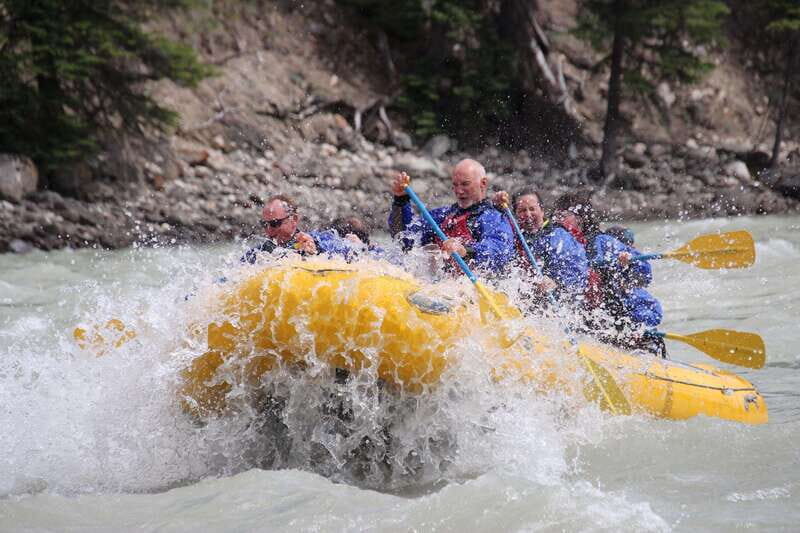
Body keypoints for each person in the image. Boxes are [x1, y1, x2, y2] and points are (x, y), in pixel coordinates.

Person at [553, 193, 665, 357]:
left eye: (563, 216)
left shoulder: (602, 242)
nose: (557, 221)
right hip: (591, 328)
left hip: (623, 327)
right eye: (556, 216)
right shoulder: (559, 247)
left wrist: (628, 263)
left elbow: (644, 274)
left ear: (580, 218)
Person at [388, 159, 514, 275]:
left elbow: (500, 251)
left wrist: (465, 250)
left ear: (483, 183)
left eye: (465, 184)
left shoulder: (494, 218)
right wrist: (401, 200)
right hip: (439, 286)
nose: (459, 190)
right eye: (455, 185)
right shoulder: (442, 215)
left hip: (471, 288)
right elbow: (404, 239)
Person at [492, 188, 588, 305]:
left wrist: (556, 282)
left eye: (532, 209)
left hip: (554, 301)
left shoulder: (558, 235)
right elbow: (496, 227)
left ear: (542, 211)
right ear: (516, 214)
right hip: (525, 299)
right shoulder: (514, 234)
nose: (528, 214)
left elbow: (577, 270)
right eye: (522, 210)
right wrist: (496, 207)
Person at [241, 194, 351, 264]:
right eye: (264, 224)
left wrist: (316, 252)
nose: (269, 230)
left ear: (294, 219)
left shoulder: (317, 240)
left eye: (275, 223)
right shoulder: (258, 253)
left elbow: (349, 254)